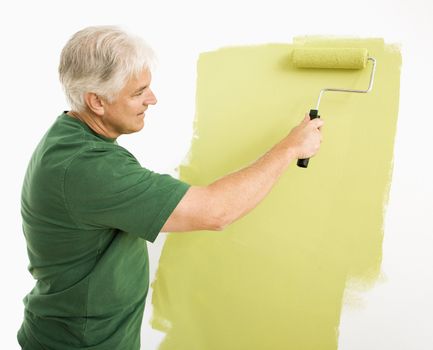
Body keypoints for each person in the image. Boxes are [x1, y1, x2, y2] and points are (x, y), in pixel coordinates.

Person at [17, 26, 323, 349]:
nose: (152, 99)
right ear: (96, 101)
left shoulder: (68, 136)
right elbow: (217, 211)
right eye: (138, 92)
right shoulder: (91, 169)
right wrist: (290, 147)